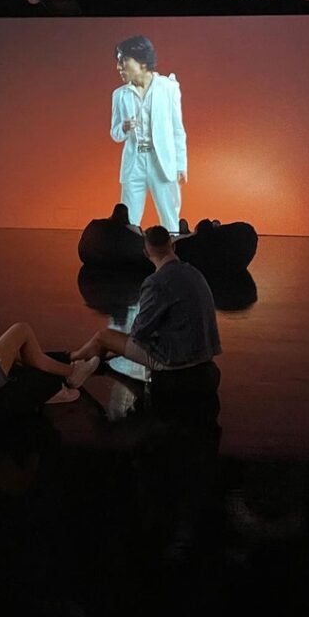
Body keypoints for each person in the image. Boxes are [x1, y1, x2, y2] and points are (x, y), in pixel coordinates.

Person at [71, 226, 221, 372]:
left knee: (103, 337)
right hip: (205, 354)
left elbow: (139, 333)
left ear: (146, 253)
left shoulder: (156, 283)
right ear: (173, 247)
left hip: (175, 361)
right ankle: (84, 360)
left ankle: (70, 358)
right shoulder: (194, 273)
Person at [110, 35, 187, 233]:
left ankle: (172, 249)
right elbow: (115, 134)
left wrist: (180, 164)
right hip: (134, 162)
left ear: (142, 62)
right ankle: (129, 249)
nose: (118, 67)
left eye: (123, 61)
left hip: (161, 162)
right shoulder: (120, 95)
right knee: (129, 219)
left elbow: (177, 129)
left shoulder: (168, 88)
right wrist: (124, 128)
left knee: (170, 217)